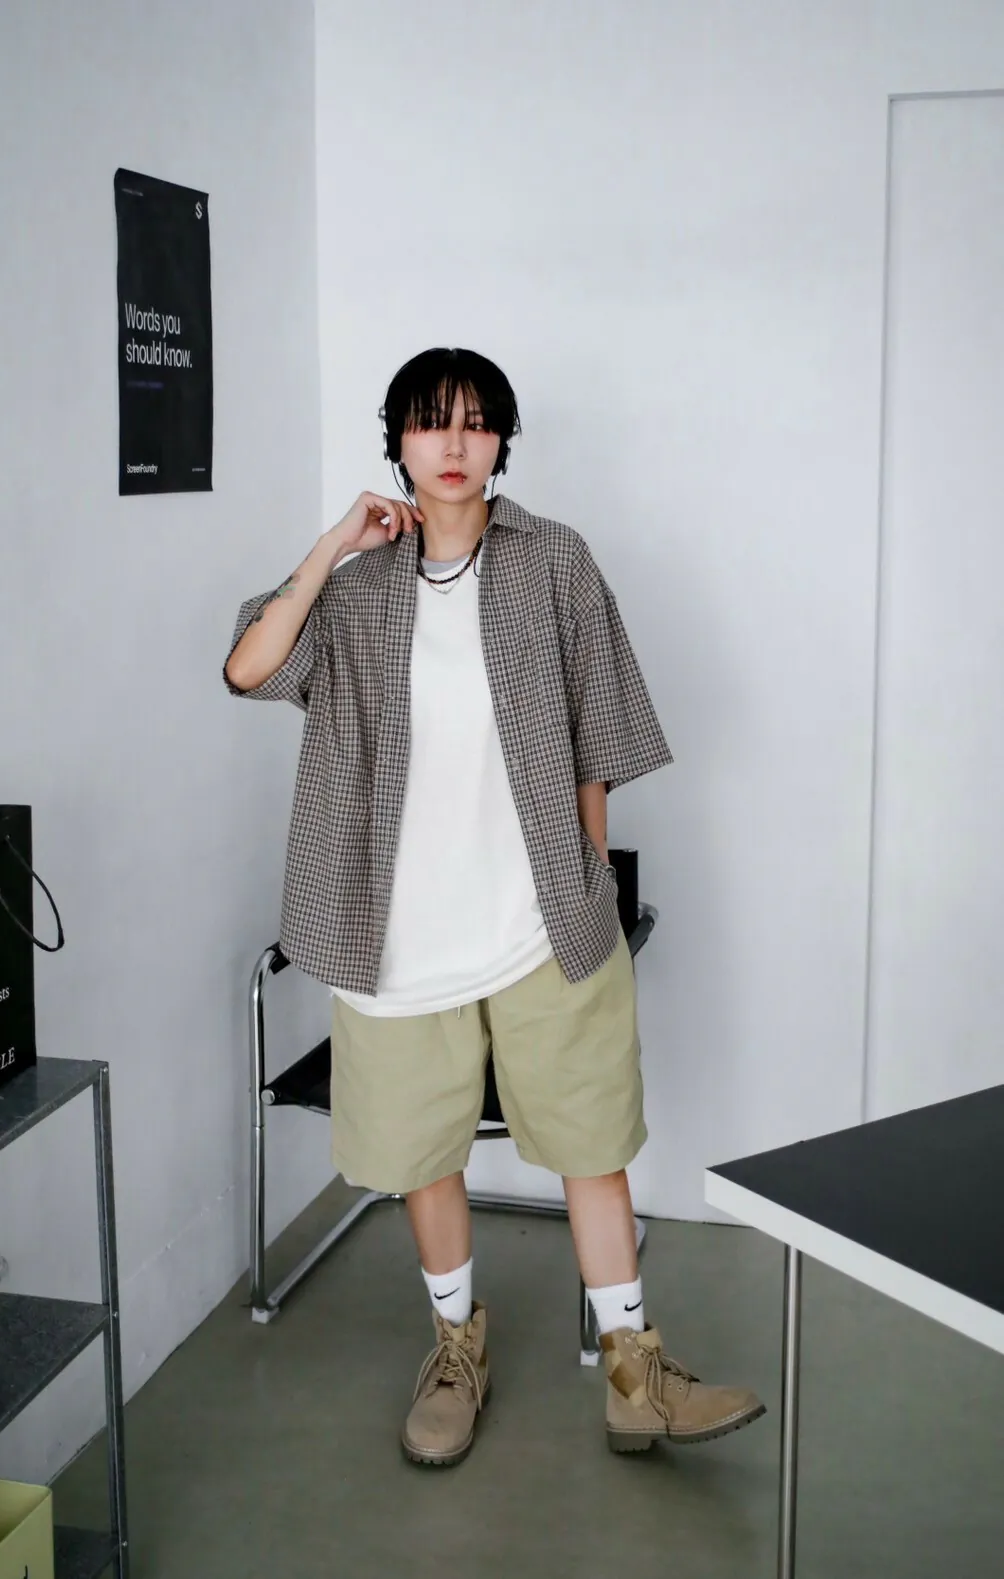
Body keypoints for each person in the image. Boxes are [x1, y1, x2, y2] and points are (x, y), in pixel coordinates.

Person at [223, 346, 765, 1467]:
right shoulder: (355, 587)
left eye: (476, 423)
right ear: (398, 441)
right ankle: (456, 1348)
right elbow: (248, 667)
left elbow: (599, 729)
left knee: (590, 1140)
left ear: (502, 441)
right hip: (396, 934)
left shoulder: (553, 559)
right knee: (428, 1155)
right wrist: (333, 544)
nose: (455, 444)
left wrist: (587, 874)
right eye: (432, 422)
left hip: (537, 922)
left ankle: (636, 1372)